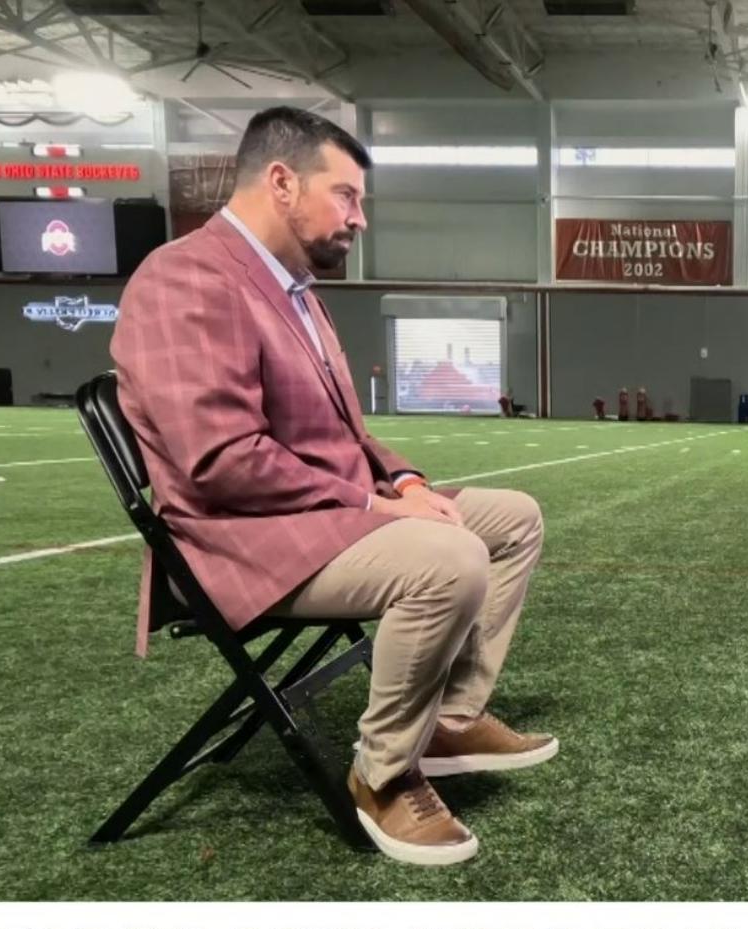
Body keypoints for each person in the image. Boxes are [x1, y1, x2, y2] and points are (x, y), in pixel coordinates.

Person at [111, 106, 555, 866]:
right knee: (450, 561)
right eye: (346, 196)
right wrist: (373, 504)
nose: (359, 218)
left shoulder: (295, 292)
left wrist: (404, 481)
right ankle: (381, 776)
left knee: (511, 519)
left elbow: (347, 435)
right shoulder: (185, 277)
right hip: (240, 542)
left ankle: (450, 720)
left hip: (327, 514)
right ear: (281, 183)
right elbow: (217, 460)